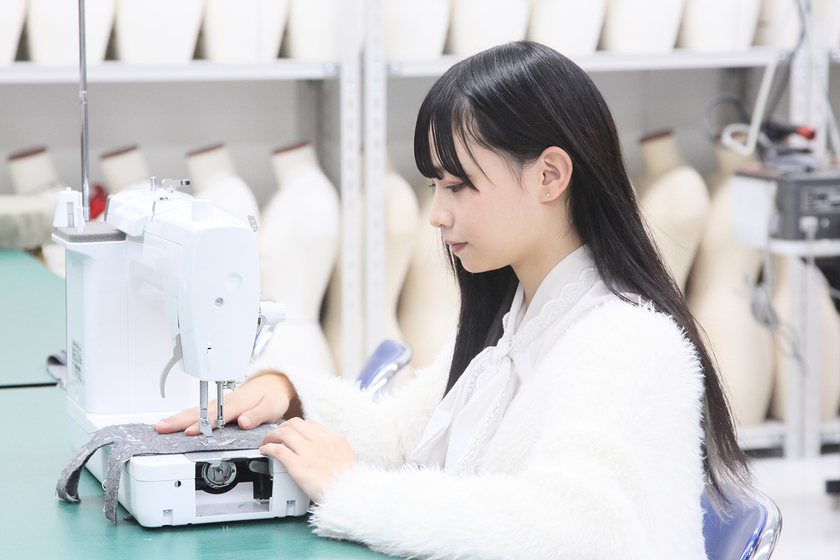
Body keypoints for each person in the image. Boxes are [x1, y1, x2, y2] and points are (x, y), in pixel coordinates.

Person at [156, 41, 751, 559]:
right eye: (436, 186)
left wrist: (352, 490)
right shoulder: (515, 323)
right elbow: (402, 444)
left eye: (458, 185)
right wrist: (289, 396)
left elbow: (573, 533)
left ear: (549, 176)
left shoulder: (627, 343)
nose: (438, 213)